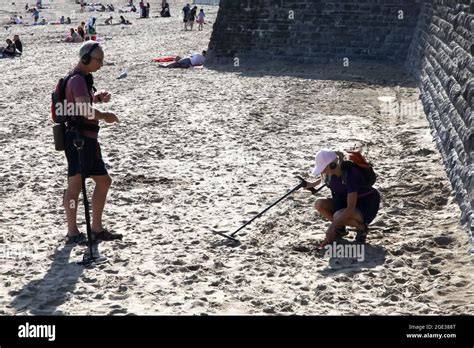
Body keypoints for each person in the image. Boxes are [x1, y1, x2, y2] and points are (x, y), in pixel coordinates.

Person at [62, 41, 121, 244]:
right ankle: (72, 232)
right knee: (75, 186)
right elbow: (82, 110)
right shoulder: (78, 80)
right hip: (79, 140)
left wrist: (95, 98)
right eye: (99, 60)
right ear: (85, 59)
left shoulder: (81, 79)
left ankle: (96, 229)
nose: (101, 64)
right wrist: (105, 115)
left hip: (88, 140)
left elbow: (80, 104)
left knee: (104, 181)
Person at [304, 150, 381, 246]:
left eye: (323, 168)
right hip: (345, 201)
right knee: (319, 204)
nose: (322, 171)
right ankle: (341, 230)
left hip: (366, 205)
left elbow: (350, 208)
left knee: (338, 215)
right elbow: (322, 179)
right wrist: (311, 184)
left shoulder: (351, 174)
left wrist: (332, 227)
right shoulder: (330, 173)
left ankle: (362, 228)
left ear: (332, 165)